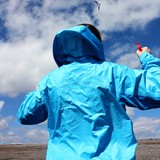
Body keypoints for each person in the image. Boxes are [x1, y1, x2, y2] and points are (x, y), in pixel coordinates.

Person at [17, 23, 160, 160]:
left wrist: (40, 90)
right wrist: (146, 58)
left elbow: (25, 115)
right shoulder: (113, 72)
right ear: (95, 43)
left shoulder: (49, 81)